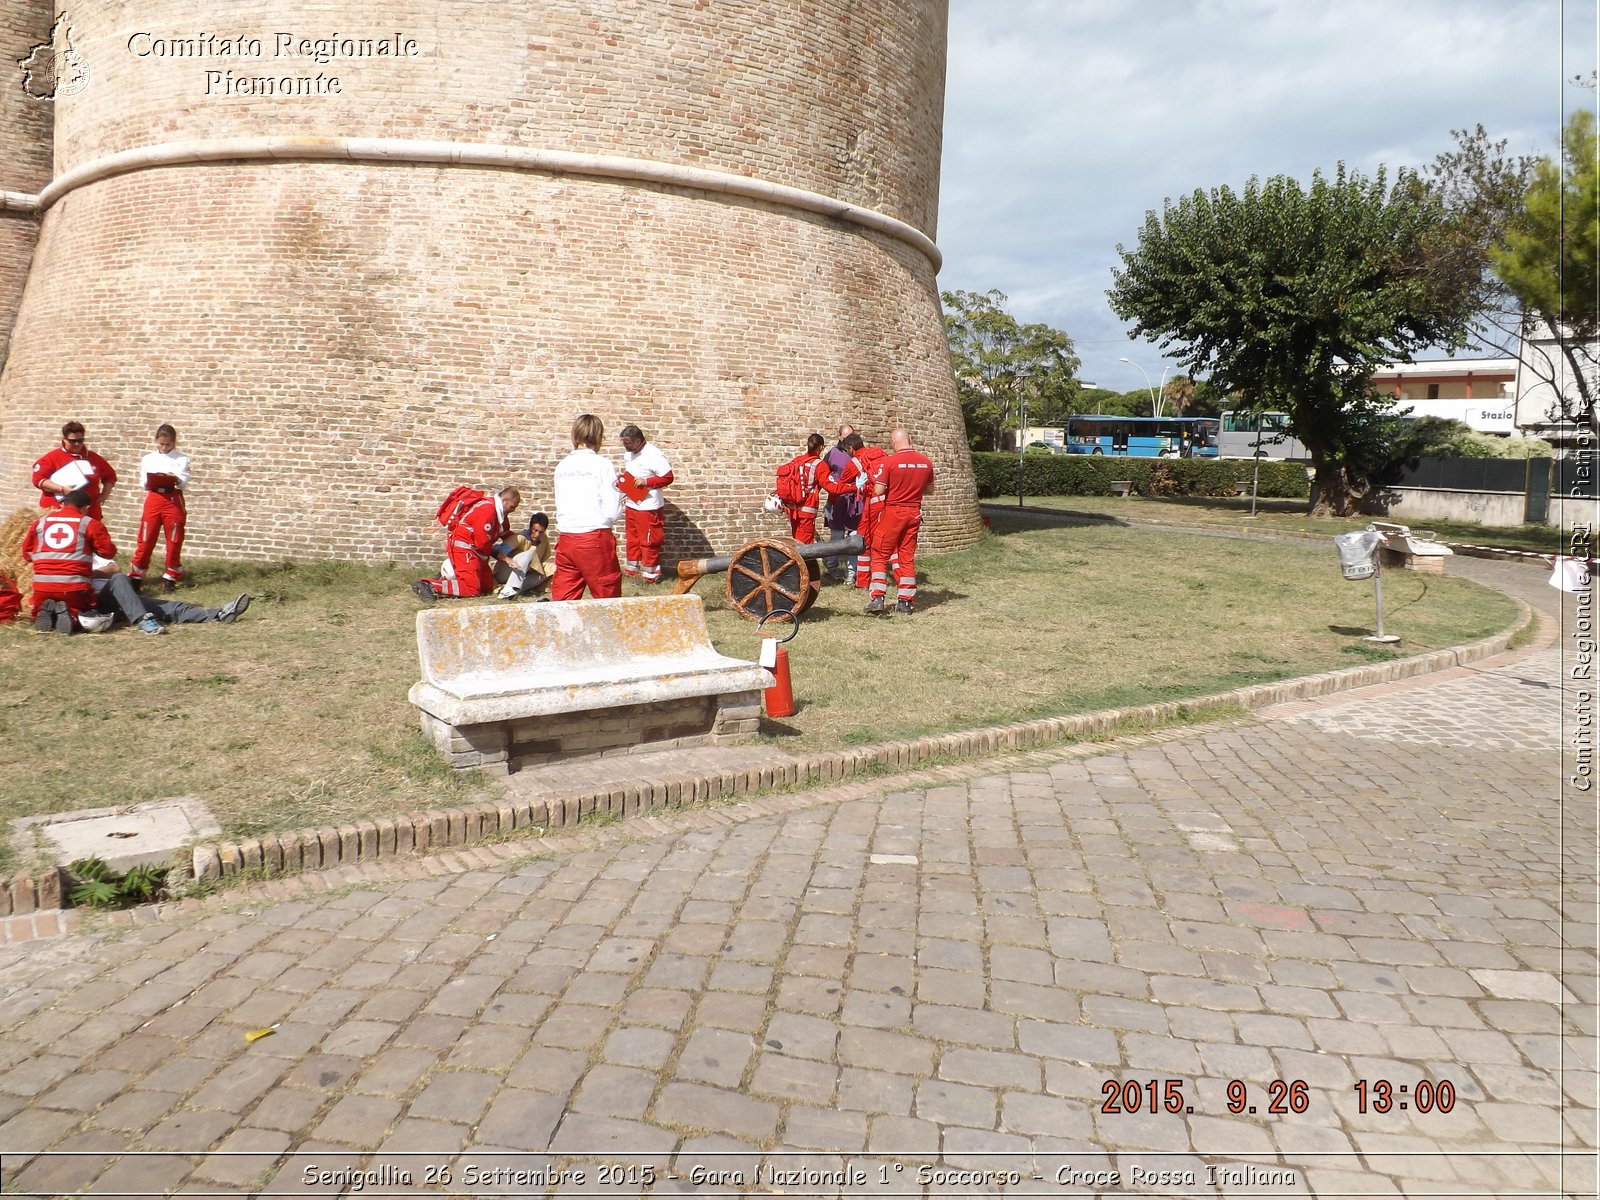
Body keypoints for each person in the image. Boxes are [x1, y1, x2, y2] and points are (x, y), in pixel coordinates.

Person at [551, 414, 625, 600]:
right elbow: (612, 511)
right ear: (598, 436)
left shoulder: (562, 466)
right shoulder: (602, 465)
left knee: (564, 598)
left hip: (567, 538)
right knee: (606, 596)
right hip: (594, 538)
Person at [22, 486, 115, 631]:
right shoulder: (89, 523)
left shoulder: (40, 522)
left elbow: (27, 554)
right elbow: (108, 552)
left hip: (41, 586)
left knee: (41, 604)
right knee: (84, 610)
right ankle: (71, 615)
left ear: (62, 504)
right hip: (73, 587)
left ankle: (45, 611)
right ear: (85, 507)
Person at [865, 428, 935, 615]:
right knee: (906, 556)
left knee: (880, 552)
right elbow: (929, 490)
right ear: (909, 439)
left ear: (894, 442)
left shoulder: (890, 461)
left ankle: (878, 597)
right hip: (914, 512)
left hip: (893, 511)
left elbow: (879, 491)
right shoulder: (926, 462)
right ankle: (905, 601)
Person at [85, 556, 250, 635]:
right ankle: (144, 622)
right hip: (101, 604)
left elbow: (114, 568)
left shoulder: (90, 552)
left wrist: (90, 572)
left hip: (124, 598)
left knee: (170, 607)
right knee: (120, 580)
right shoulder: (68, 558)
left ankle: (220, 614)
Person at [413, 486, 521, 601]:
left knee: (487, 587)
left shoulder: (499, 515)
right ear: (504, 501)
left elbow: (505, 533)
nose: (513, 510)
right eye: (512, 506)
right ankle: (430, 586)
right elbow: (482, 544)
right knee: (472, 588)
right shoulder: (488, 511)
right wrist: (500, 555)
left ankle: (446, 580)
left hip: (478, 553)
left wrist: (522, 540)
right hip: (465, 550)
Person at [129, 423, 191, 593]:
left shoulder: (181, 458)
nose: (164, 447)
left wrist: (176, 479)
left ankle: (170, 575)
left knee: (174, 538)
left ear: (174, 443)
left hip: (172, 498)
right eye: (161, 444)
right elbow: (142, 482)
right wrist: (152, 480)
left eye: (168, 444)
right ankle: (136, 575)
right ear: (156, 441)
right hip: (154, 498)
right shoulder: (148, 458)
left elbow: (184, 481)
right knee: (146, 536)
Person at [618, 424, 674, 583]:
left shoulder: (654, 454)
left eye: (627, 442)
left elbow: (668, 477)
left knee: (649, 541)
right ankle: (632, 570)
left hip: (649, 506)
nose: (625, 445)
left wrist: (646, 481)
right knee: (632, 538)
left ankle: (651, 576)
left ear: (638, 440)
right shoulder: (629, 453)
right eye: (623, 442)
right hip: (632, 503)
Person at [32, 421, 117, 521]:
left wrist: (105, 494)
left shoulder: (93, 458)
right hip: (58, 511)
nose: (77, 444)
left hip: (89, 513)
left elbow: (110, 476)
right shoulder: (52, 457)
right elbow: (38, 479)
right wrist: (61, 489)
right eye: (73, 441)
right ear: (64, 440)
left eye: (80, 440)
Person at [822, 422, 862, 577]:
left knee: (854, 537)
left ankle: (852, 573)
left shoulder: (860, 454)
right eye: (845, 436)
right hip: (838, 500)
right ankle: (832, 570)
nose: (848, 440)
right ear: (839, 437)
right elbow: (823, 475)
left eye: (851, 436)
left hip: (856, 501)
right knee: (837, 538)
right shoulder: (832, 454)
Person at [778, 433, 827, 544]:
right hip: (807, 510)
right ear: (821, 447)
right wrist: (852, 487)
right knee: (805, 547)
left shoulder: (797, 460)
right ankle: (803, 562)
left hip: (792, 509)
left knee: (796, 540)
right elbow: (832, 487)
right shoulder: (819, 464)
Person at [494, 511, 555, 600]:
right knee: (530, 554)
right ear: (530, 527)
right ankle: (509, 589)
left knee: (553, 569)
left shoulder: (543, 540)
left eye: (541, 532)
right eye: (535, 530)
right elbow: (496, 551)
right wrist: (508, 559)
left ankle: (515, 590)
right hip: (507, 571)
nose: (537, 534)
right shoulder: (520, 538)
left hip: (526, 573)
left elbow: (540, 561)